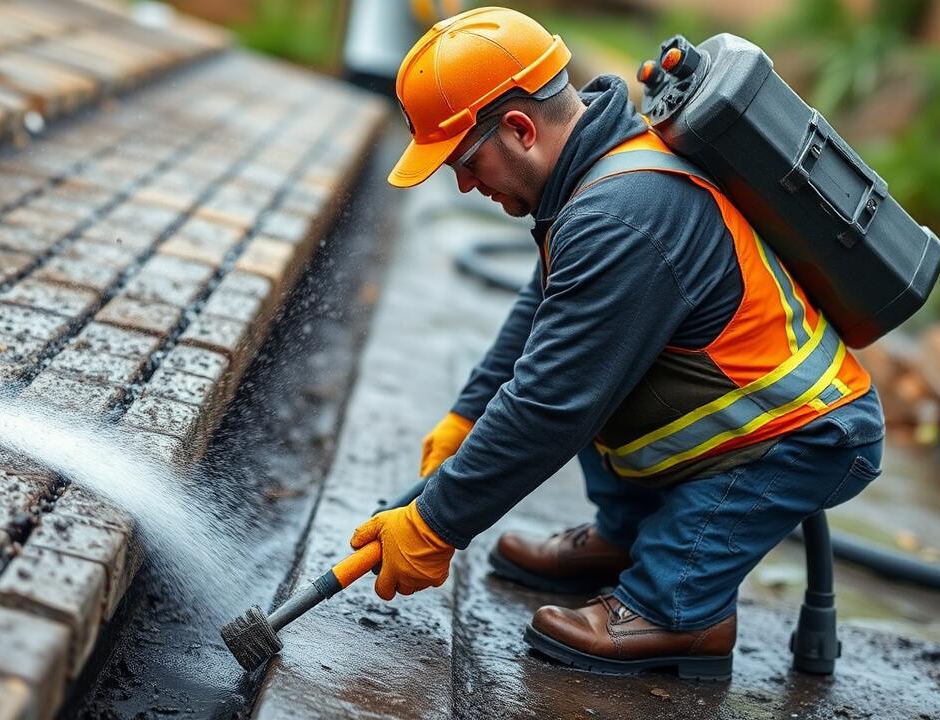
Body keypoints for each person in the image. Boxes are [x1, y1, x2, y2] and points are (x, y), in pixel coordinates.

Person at [349, 6, 885, 680]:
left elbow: (551, 405)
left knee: (587, 392)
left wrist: (436, 525)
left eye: (463, 160)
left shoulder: (621, 218)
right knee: (591, 366)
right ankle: (626, 535)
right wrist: (467, 415)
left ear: (518, 129)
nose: (462, 183)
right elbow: (541, 310)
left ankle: (679, 610)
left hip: (796, 433)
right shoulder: (597, 174)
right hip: (748, 414)